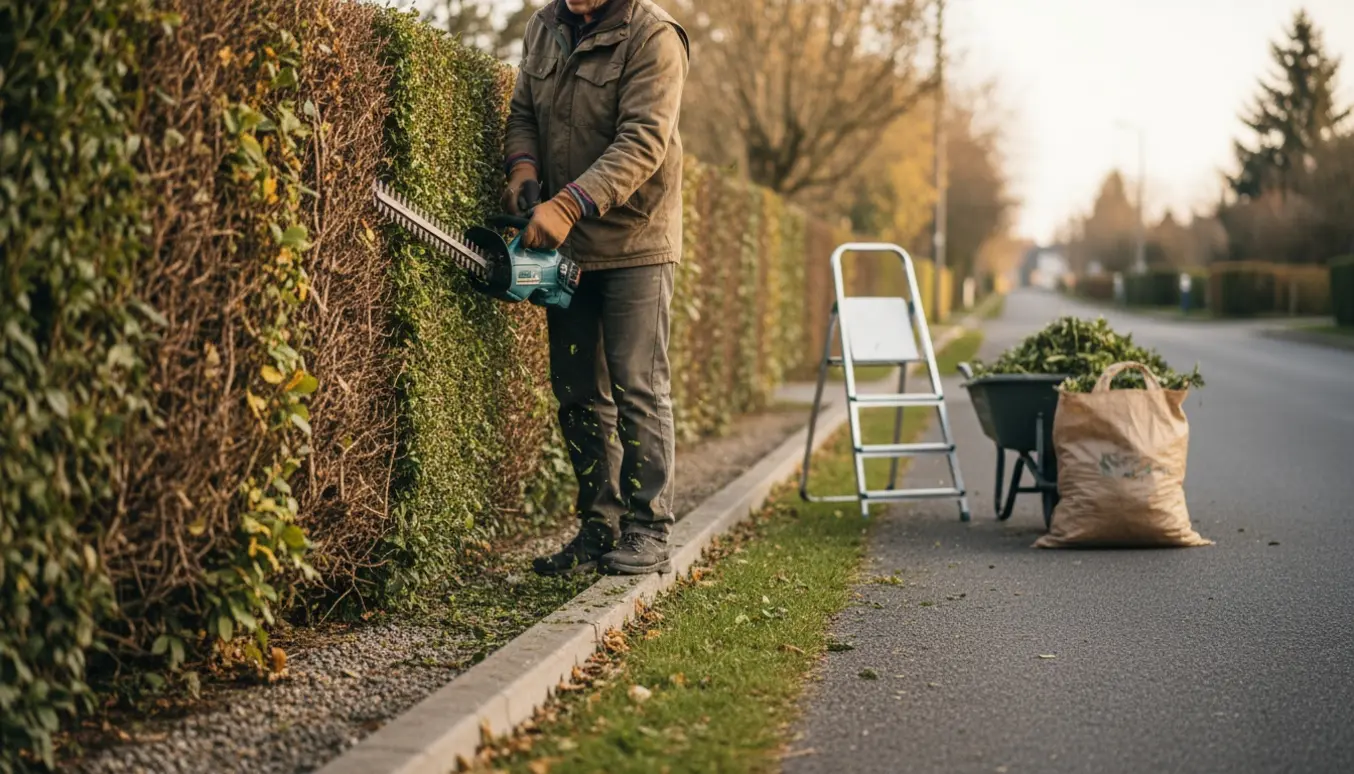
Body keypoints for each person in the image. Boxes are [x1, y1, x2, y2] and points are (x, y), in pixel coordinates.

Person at [502, 0, 689, 576]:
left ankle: (647, 527)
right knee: (577, 389)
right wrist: (524, 171)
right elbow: (523, 114)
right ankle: (598, 523)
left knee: (637, 384)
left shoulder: (653, 35)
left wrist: (569, 203)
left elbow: (643, 141)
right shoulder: (544, 26)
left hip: (637, 241)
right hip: (569, 244)